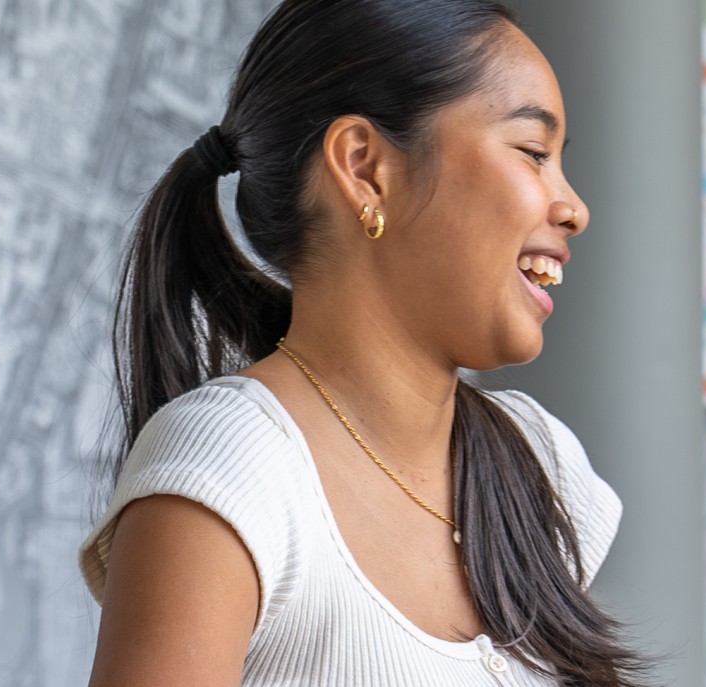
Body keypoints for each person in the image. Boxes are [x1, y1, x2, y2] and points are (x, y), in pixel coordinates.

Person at [78, 1, 642, 684]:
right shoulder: (229, 468)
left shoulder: (539, 464)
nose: (574, 208)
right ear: (365, 167)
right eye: (533, 153)